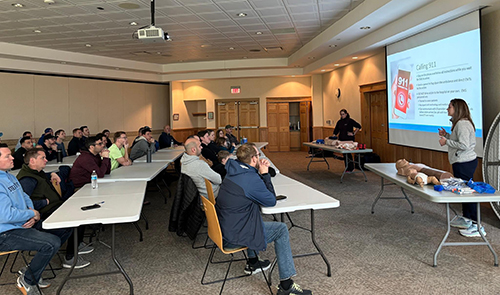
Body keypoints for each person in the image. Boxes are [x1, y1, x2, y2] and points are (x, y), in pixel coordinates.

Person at [216, 143, 312, 295]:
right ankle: (286, 286)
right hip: (234, 235)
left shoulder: (234, 170)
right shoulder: (249, 179)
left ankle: (253, 262)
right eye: (258, 156)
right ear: (253, 159)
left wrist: (259, 173)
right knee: (281, 229)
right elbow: (270, 201)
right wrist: (265, 174)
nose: (260, 158)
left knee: (252, 213)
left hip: (226, 227)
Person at [0, 143, 72, 294]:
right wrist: (31, 214)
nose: (13, 157)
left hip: (22, 223)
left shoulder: (8, 175)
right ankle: (27, 280)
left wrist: (31, 212)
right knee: (51, 243)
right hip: (6, 233)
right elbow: (6, 215)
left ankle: (31, 270)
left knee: (65, 228)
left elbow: (24, 196)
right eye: (7, 156)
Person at [17, 148, 91, 269]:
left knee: (79, 211)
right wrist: (43, 202)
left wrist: (51, 173)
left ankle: (77, 244)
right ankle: (70, 257)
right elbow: (23, 204)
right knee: (75, 218)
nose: (46, 160)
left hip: (54, 206)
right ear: (32, 161)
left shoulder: (36, 172)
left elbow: (42, 176)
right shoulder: (27, 180)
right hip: (44, 212)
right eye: (42, 158)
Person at [438, 98, 481, 237]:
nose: (447, 109)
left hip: (465, 163)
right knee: (463, 191)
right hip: (461, 162)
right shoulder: (460, 124)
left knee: (468, 192)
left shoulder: (462, 124)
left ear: (457, 109)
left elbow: (464, 145)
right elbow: (459, 141)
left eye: (449, 106)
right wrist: (447, 136)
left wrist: (446, 141)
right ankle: (467, 219)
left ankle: (476, 225)